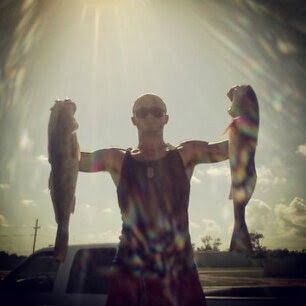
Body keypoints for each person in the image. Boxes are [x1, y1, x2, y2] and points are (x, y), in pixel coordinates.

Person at [78, 93, 229, 306]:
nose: (150, 116)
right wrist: (61, 125)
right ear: (134, 120)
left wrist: (248, 109)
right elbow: (71, 159)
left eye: (157, 111)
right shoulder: (118, 159)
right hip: (131, 267)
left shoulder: (186, 154)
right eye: (142, 112)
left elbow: (233, 148)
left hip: (177, 267)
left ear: (166, 118)